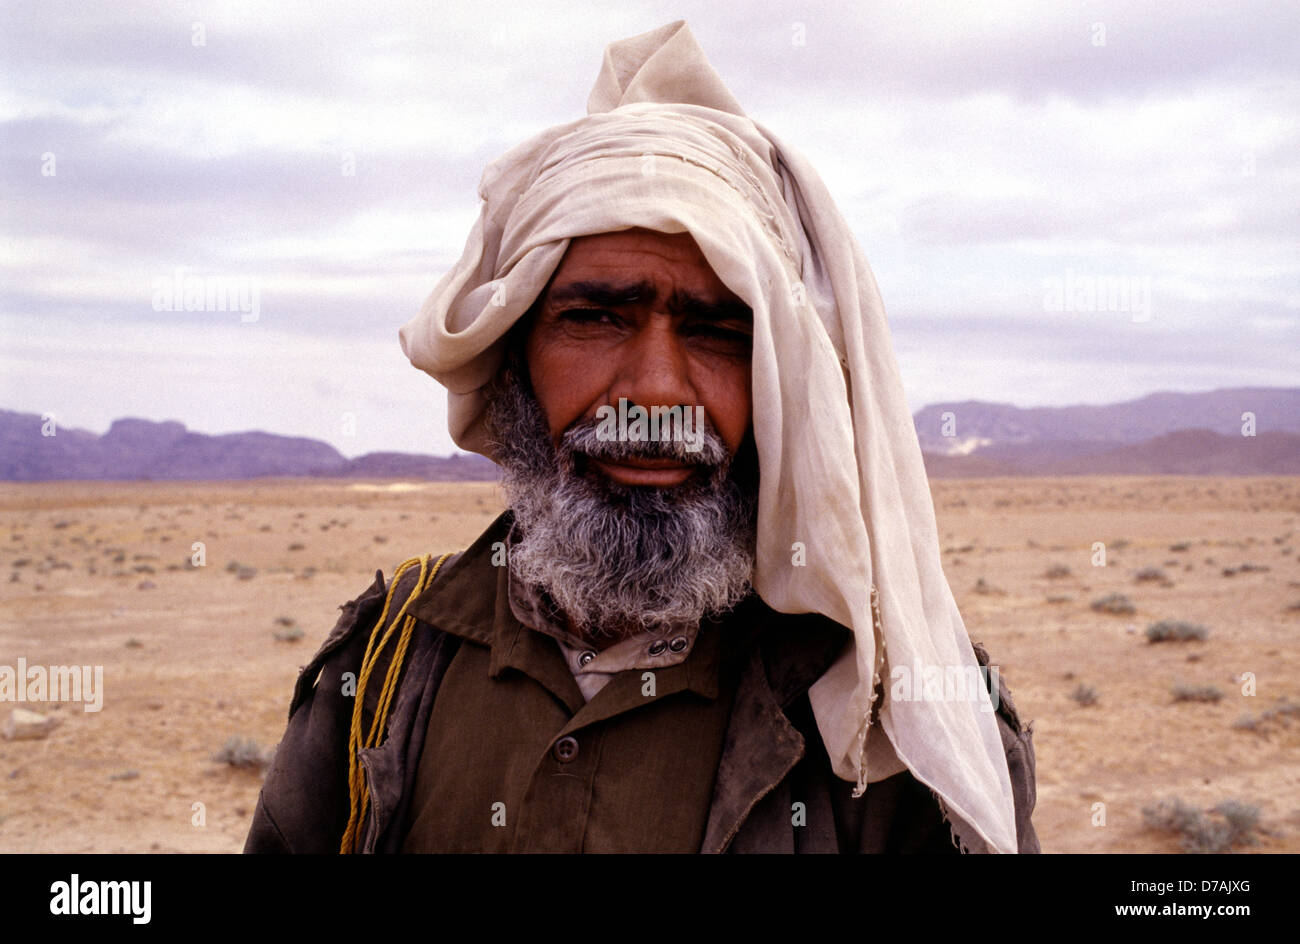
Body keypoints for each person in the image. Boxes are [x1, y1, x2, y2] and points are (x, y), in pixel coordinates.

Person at [244, 20, 1039, 854]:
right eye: (595, 318)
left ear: (777, 380)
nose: (656, 392)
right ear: (514, 359)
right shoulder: (388, 663)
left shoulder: (902, 713)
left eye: (716, 332)